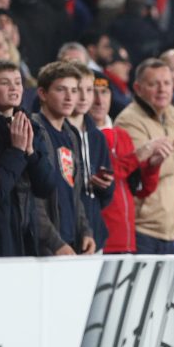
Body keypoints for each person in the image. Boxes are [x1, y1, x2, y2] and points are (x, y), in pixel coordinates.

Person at [116, 58, 174, 254]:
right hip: (142, 231)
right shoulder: (129, 121)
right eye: (153, 84)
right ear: (138, 88)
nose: (162, 89)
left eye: (167, 83)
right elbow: (152, 168)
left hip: (172, 232)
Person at [0, 60, 57, 256]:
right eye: (4, 82)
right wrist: (16, 151)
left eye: (17, 82)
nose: (14, 88)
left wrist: (31, 153)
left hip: (25, 235)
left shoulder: (31, 126)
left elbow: (47, 186)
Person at [88, 72, 167, 254]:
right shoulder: (82, 136)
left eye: (105, 92)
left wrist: (152, 167)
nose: (99, 100)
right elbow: (103, 178)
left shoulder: (121, 135)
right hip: (99, 242)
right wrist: (137, 156)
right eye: (93, 92)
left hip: (127, 240)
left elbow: (139, 189)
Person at [32, 61, 97, 256]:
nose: (70, 97)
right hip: (45, 248)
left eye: (74, 90)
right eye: (61, 89)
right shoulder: (34, 131)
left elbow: (74, 193)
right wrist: (54, 242)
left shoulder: (71, 135)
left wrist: (85, 231)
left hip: (71, 243)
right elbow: (32, 199)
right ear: (43, 94)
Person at [67, 65, 116, 250]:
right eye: (78, 90)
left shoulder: (97, 137)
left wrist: (106, 185)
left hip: (95, 234)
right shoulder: (55, 132)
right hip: (65, 235)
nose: (86, 97)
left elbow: (107, 196)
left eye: (88, 90)